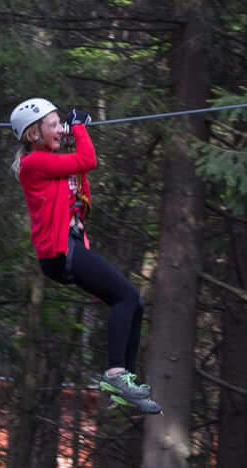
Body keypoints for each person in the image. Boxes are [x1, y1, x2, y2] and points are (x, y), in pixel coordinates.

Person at [10, 97, 158, 413]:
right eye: (54, 125)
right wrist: (79, 130)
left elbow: (81, 188)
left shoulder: (54, 166)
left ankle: (124, 382)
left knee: (134, 303)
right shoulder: (34, 163)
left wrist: (75, 135)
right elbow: (88, 159)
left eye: (61, 123)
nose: (61, 129)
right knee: (126, 297)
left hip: (70, 247)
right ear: (34, 134)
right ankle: (116, 374)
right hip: (59, 250)